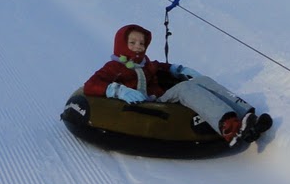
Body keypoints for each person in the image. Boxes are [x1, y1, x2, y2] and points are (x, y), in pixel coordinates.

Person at [84, 23, 271, 145]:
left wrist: (179, 69)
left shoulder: (146, 63)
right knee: (185, 88)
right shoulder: (114, 66)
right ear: (122, 44)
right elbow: (91, 85)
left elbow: (160, 66)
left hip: (158, 98)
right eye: (132, 42)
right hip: (143, 105)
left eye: (141, 43)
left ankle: (248, 116)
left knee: (202, 81)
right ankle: (231, 128)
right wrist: (118, 90)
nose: (138, 47)